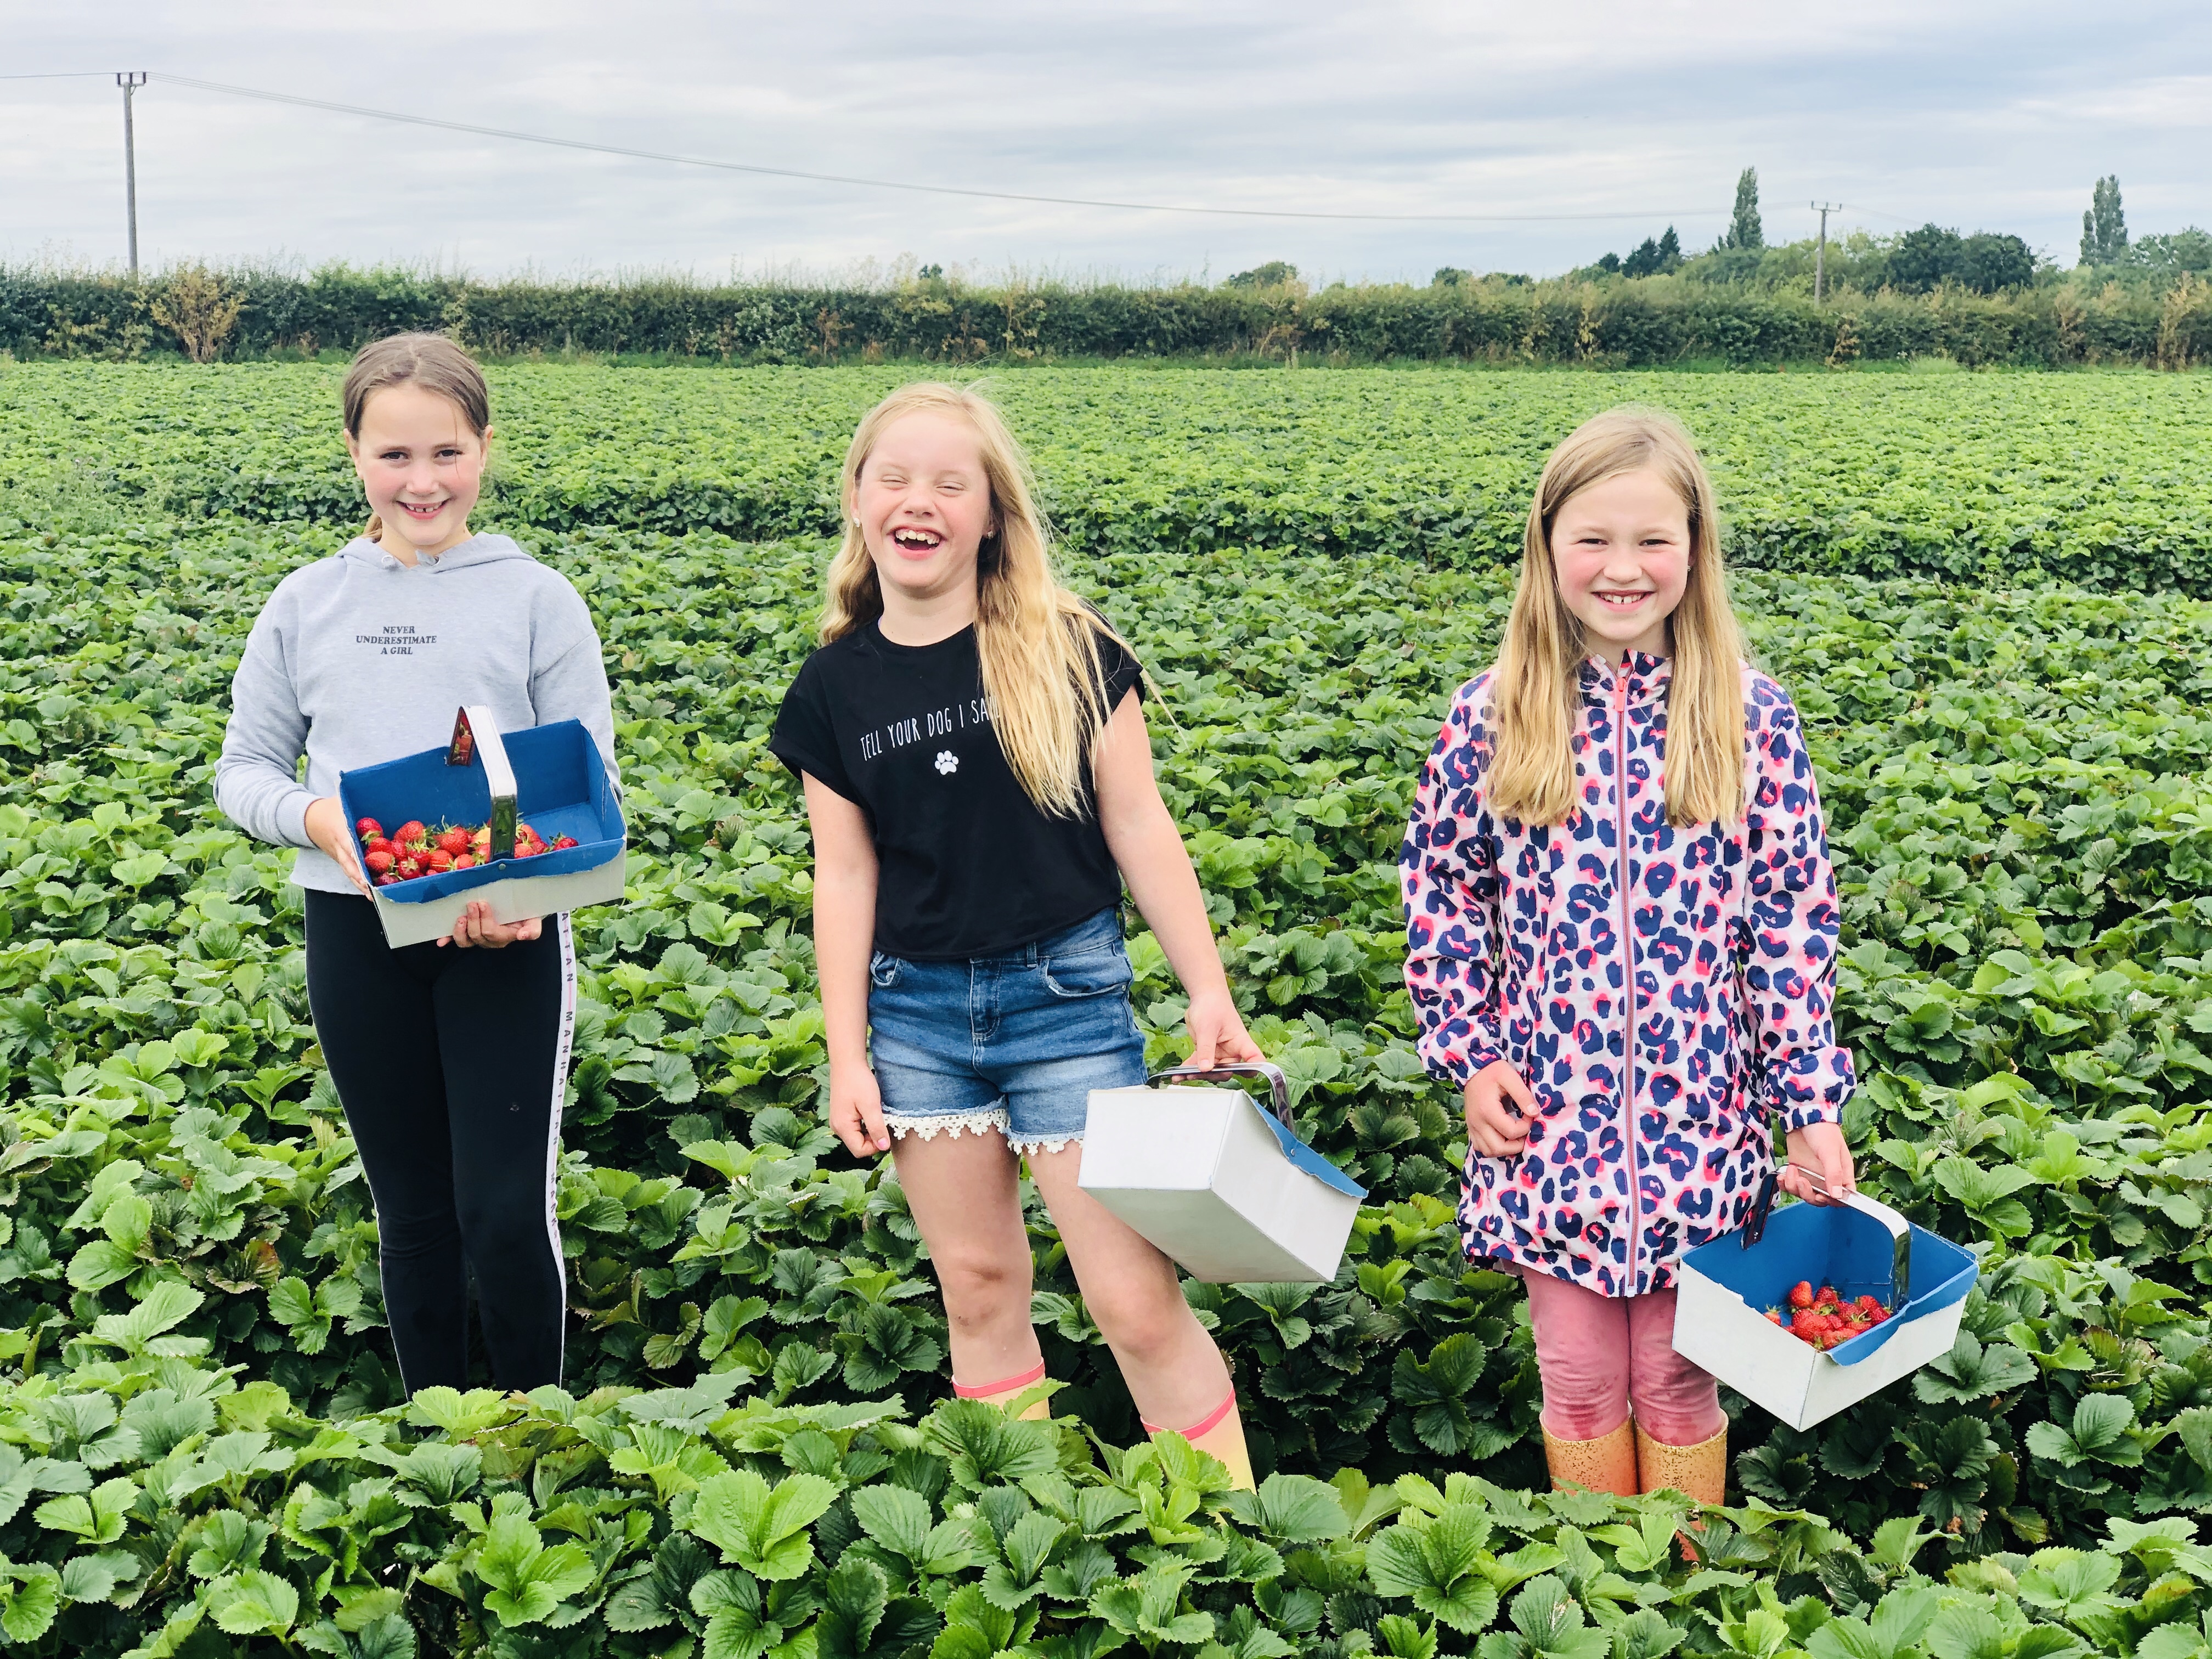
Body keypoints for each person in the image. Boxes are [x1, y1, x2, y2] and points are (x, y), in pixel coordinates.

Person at [770, 382, 1264, 1487]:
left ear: (993, 515)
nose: (920, 501)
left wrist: (1209, 990)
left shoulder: (1065, 646)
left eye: (952, 484)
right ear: (857, 500)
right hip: (916, 1021)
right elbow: (844, 876)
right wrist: (847, 1055)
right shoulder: (833, 687)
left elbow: (1140, 825)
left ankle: (1231, 1535)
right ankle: (1023, 1520)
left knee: (1133, 1300)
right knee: (979, 1288)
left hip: (1067, 1006)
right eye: (895, 478)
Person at [1400, 405, 1856, 1503]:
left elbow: (1791, 920)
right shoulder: (1493, 715)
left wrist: (1808, 1104)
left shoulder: (1749, 717)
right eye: (1593, 540)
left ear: (1695, 550)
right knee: (1578, 1379)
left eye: (1654, 540)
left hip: (1705, 1122)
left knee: (1679, 1380)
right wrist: (1471, 1056)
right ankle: (1601, 1573)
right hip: (1549, 1123)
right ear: (1547, 546)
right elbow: (1443, 891)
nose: (1622, 568)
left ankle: (1684, 1578)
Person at [215, 332, 616, 1395]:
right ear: (354, 453)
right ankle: (432, 1433)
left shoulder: (537, 599)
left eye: (446, 452)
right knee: (413, 1211)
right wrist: (320, 821)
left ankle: (537, 1433)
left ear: (484, 448)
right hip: (355, 928)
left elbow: (589, 776)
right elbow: (243, 772)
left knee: (503, 1208)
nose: (422, 481)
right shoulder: (307, 602)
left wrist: (521, 892)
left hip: (505, 934)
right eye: (394, 456)